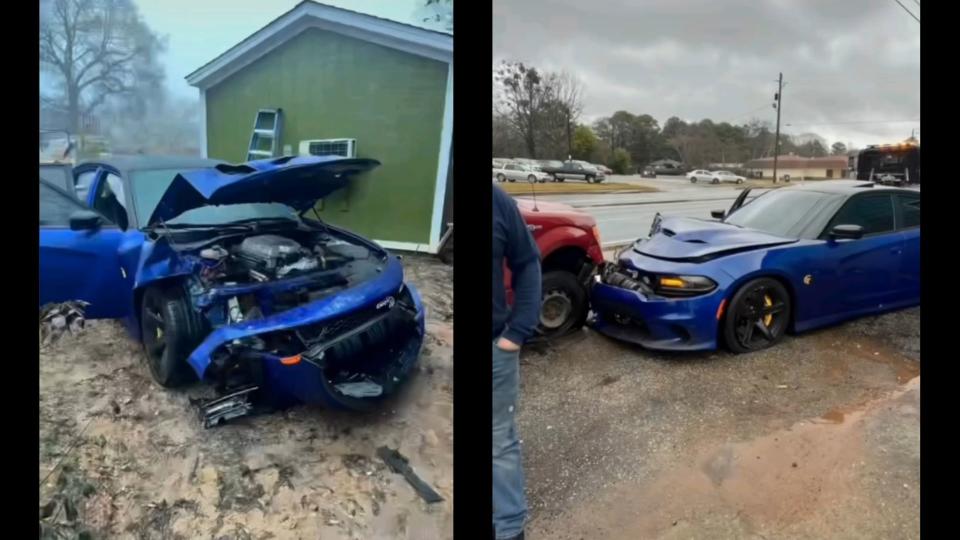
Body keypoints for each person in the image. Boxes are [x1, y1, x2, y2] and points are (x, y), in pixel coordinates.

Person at [492, 184, 541, 540]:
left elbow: (527, 261)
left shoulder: (497, 200)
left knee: (498, 442)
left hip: (495, 349)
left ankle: (510, 530)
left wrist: (518, 332)